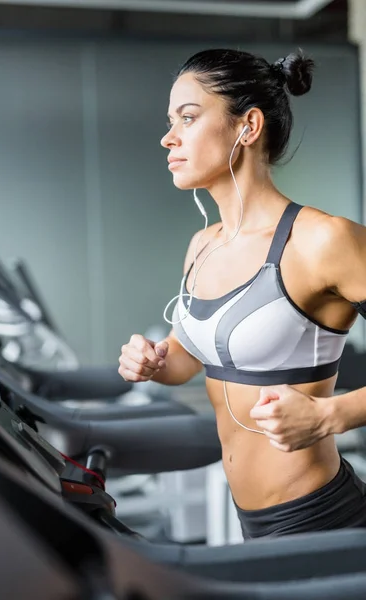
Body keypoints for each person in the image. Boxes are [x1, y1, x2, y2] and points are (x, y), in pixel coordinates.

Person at [118, 47, 366, 539]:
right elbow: (187, 359)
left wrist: (329, 416)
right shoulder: (202, 245)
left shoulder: (323, 240)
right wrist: (153, 360)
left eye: (187, 118)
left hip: (322, 519)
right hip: (252, 522)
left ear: (247, 127)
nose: (169, 137)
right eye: (171, 121)